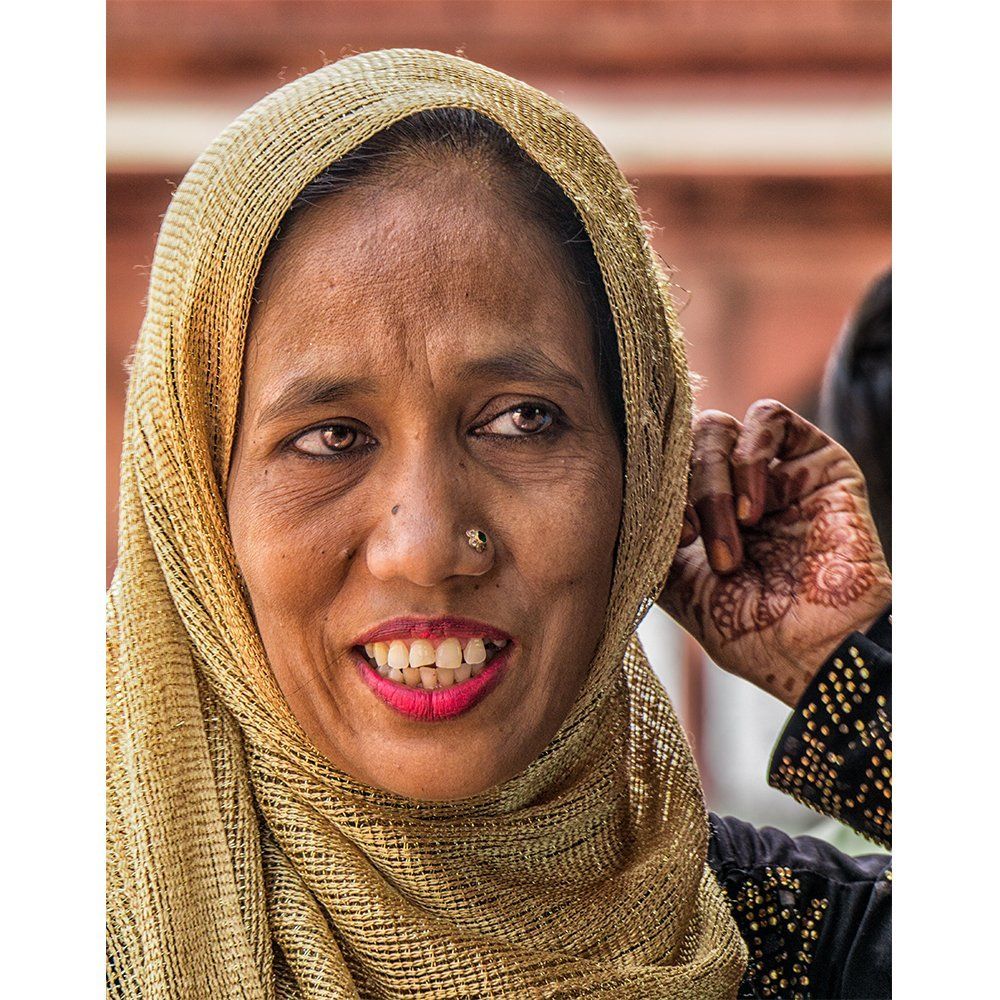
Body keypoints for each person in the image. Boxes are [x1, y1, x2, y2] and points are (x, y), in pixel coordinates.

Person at [106, 50, 891, 999]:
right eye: (332, 437)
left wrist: (851, 667)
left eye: (523, 419)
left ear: (640, 470)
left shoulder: (796, 949)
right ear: (197, 504)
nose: (429, 544)